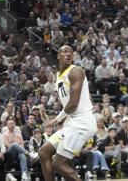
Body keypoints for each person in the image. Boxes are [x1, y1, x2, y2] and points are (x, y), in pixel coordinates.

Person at [38, 45, 97, 181]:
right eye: (64, 51)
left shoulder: (76, 71)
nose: (68, 53)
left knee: (59, 164)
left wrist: (56, 120)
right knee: (44, 152)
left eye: (71, 51)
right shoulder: (59, 76)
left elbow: (73, 104)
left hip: (82, 122)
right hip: (72, 122)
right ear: (58, 55)